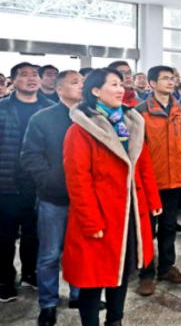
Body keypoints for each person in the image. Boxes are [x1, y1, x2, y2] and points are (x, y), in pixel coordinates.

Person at [62, 68, 162, 326]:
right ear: (95, 91)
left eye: (121, 84)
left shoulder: (129, 123)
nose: (121, 89)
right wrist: (91, 221)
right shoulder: (80, 130)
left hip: (130, 212)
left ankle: (115, 320)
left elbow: (142, 165)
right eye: (114, 84)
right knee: (93, 278)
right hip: (100, 215)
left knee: (122, 271)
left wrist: (152, 199)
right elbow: (78, 181)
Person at [20, 70, 86, 325]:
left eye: (82, 82)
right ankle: (48, 303)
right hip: (54, 198)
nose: (81, 86)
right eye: (74, 82)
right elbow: (30, 156)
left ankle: (79, 294)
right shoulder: (43, 118)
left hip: (84, 198)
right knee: (49, 253)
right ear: (59, 89)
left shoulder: (91, 116)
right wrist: (50, 181)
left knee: (80, 250)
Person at [0, 62, 53, 303]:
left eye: (35, 75)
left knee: (35, 234)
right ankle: (4, 279)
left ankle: (30, 273)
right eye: (24, 75)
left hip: (39, 184)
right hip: (7, 183)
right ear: (13, 81)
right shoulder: (2, 108)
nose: (32, 78)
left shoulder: (50, 109)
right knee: (5, 235)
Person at [135, 66, 181, 297]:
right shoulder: (140, 112)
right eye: (165, 78)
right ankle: (146, 273)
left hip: (175, 179)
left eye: (172, 78)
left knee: (169, 226)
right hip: (150, 181)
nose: (170, 82)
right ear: (152, 83)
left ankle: (167, 267)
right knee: (147, 230)